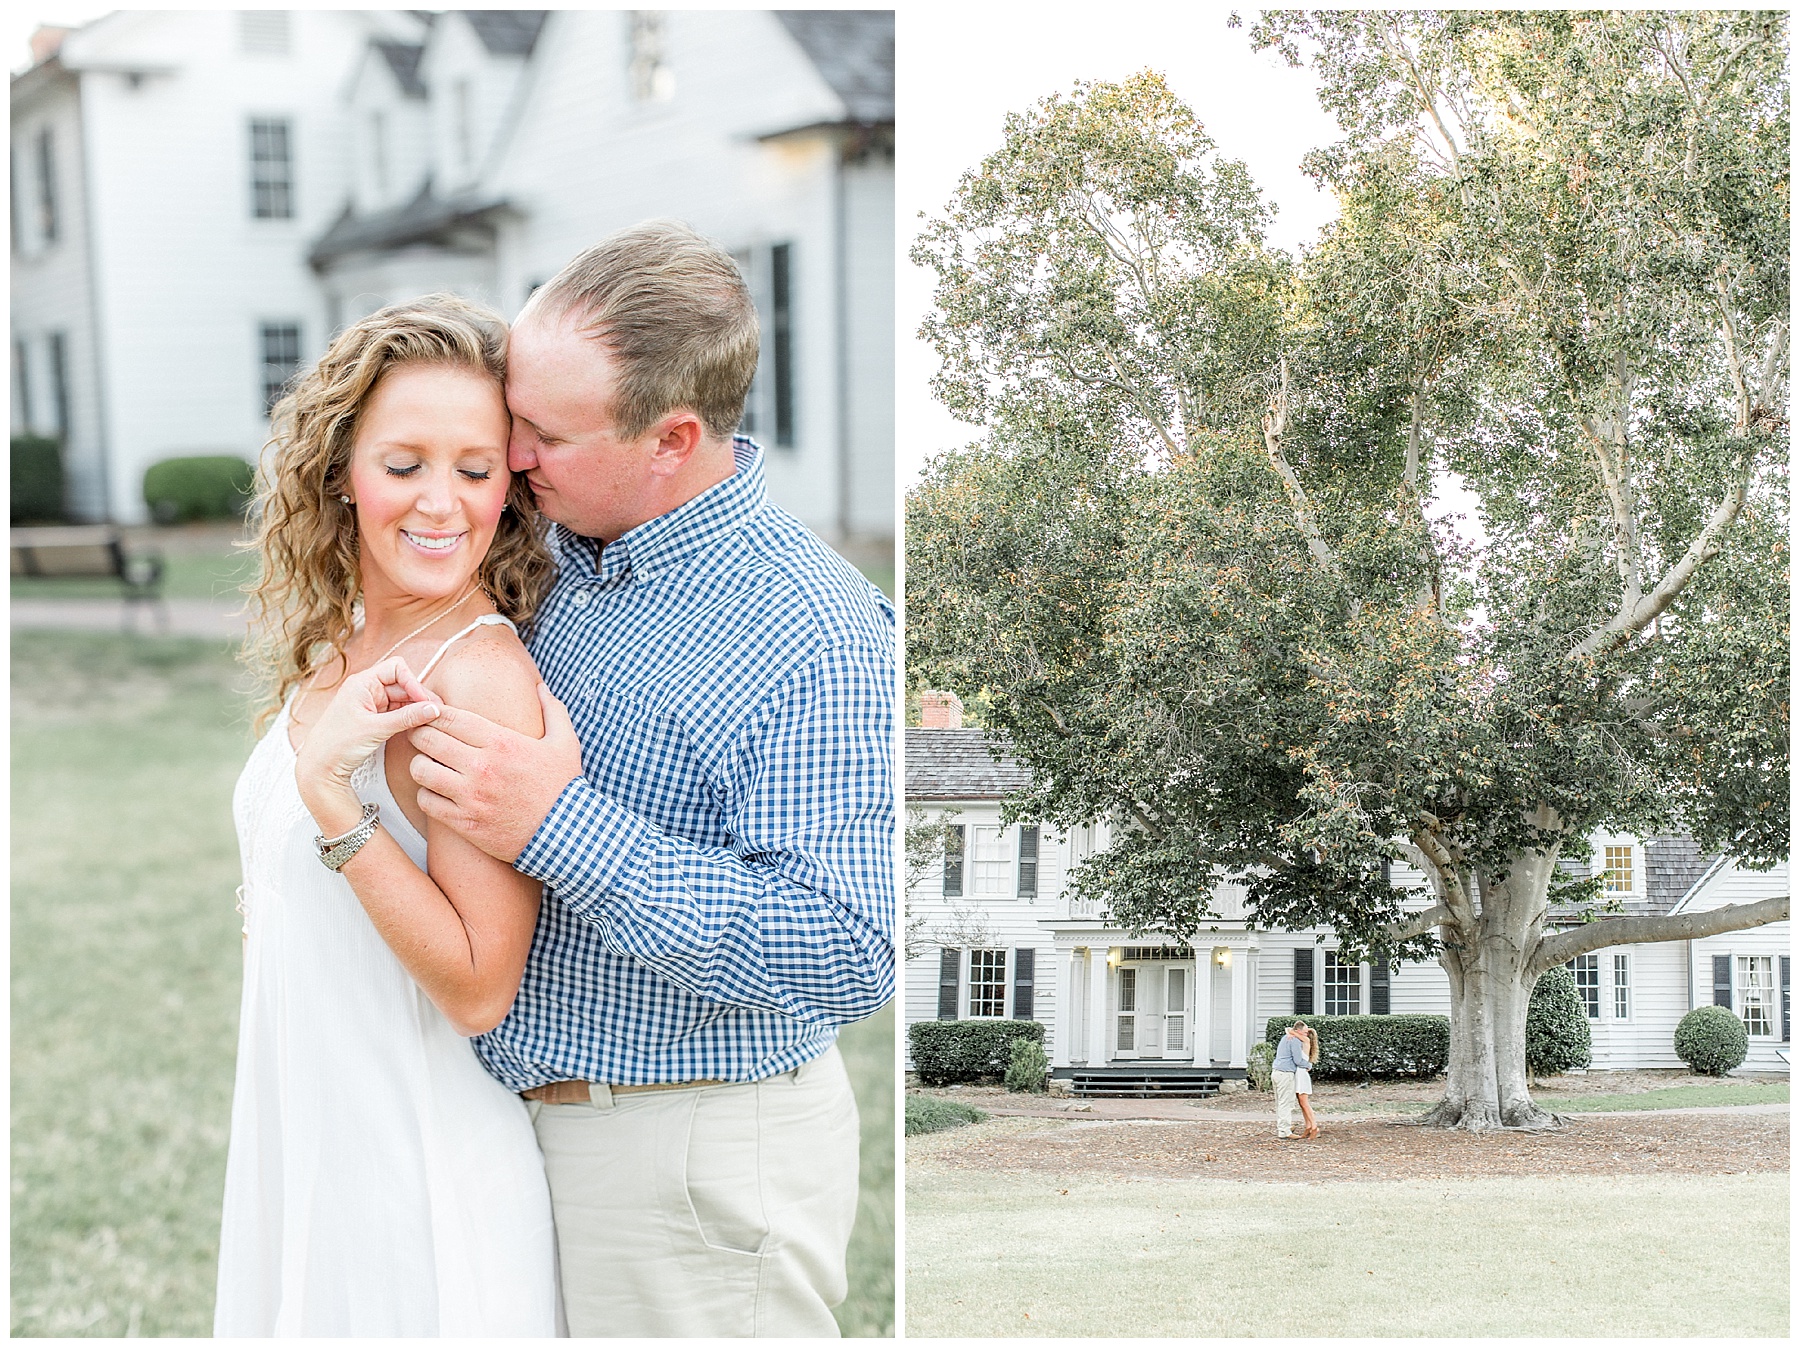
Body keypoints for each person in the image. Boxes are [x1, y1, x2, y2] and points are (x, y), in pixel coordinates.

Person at [405, 221, 895, 1337]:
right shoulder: (555, 554)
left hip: (684, 1162)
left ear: (672, 437)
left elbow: (847, 946)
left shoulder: (813, 630)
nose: (509, 453)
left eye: (542, 432)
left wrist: (559, 826)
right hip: (516, 1137)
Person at [215, 296, 560, 1335]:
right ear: (339, 473)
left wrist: (333, 804)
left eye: (475, 467)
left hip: (409, 1178)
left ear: (510, 484)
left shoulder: (477, 679)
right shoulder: (345, 646)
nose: (442, 503)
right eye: (403, 464)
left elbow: (480, 985)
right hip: (306, 1127)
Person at [1271, 1019, 1312, 1140]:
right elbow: (1298, 1060)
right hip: (1286, 1074)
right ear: (1298, 1031)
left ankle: (1282, 1128)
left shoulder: (1286, 1037)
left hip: (1276, 1072)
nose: (1306, 1035)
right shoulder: (1294, 1041)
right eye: (1304, 1032)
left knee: (1280, 1101)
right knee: (1286, 1102)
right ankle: (1285, 1131)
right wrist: (1309, 1065)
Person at [1296, 1024, 1321, 1140]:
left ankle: (1314, 1125)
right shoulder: (1301, 1041)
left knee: (1304, 1102)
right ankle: (1308, 1125)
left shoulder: (1305, 1040)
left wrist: (1300, 1031)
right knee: (1301, 1103)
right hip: (1298, 1074)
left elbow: (1289, 1031)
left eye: (1306, 1032)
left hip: (1301, 1074)